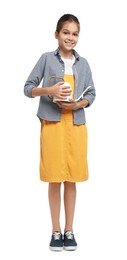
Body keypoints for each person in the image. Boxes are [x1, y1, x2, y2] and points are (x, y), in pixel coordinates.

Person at [24, 13, 96, 251]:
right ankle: (56, 231)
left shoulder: (83, 63)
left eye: (75, 34)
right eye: (66, 32)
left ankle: (70, 230)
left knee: (72, 178)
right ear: (56, 34)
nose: (70, 37)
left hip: (76, 125)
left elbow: (91, 94)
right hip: (53, 125)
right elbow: (28, 88)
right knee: (55, 177)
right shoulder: (46, 59)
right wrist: (49, 90)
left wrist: (77, 104)